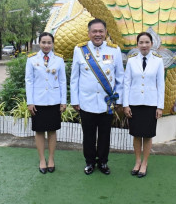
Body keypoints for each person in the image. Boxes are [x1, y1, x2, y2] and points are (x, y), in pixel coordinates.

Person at [70, 18, 124, 175]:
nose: (98, 34)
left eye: (101, 31)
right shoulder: (80, 50)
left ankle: (103, 162)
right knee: (88, 135)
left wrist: (119, 100)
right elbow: (74, 78)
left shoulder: (115, 50)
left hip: (106, 103)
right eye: (94, 31)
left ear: (106, 33)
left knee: (105, 135)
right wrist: (75, 100)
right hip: (86, 102)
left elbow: (120, 78)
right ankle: (89, 162)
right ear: (89, 33)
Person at [123, 32, 165, 178]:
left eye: (147, 42)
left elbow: (161, 84)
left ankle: (145, 163)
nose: (144, 45)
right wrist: (125, 105)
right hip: (134, 103)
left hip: (150, 103)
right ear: (137, 44)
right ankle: (137, 161)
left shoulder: (158, 61)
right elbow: (126, 83)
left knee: (147, 136)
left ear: (151, 44)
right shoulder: (131, 61)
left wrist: (160, 106)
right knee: (136, 135)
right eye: (141, 42)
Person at [25, 32, 67, 174]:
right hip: (38, 101)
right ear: (39, 43)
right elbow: (29, 81)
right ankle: (42, 159)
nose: (46, 45)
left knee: (52, 130)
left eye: (49, 42)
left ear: (52, 44)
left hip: (54, 100)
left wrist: (63, 101)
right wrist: (30, 102)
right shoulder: (31, 59)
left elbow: (62, 81)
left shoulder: (59, 59)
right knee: (39, 131)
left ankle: (51, 159)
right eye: (44, 42)